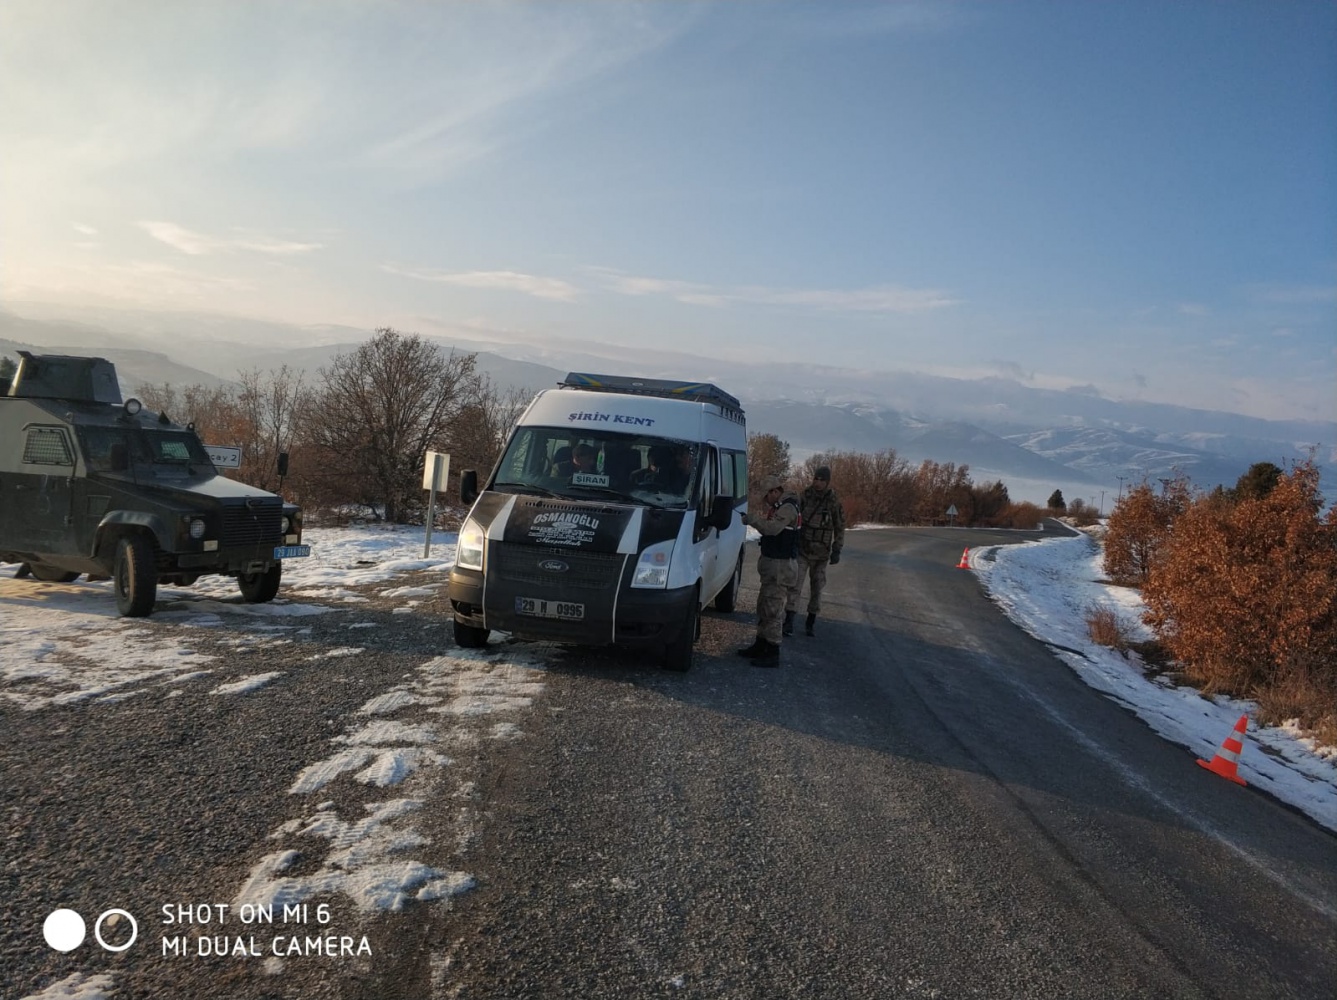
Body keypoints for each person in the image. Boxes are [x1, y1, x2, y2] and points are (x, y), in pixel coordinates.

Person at [737, 474, 801, 667]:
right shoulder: (779, 507)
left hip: (780, 568)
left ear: (775, 491)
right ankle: (761, 644)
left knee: (773, 610)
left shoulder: (788, 507)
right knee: (763, 606)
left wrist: (752, 520)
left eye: (767, 496)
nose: (766, 501)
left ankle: (772, 651)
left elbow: (772, 529)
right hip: (773, 566)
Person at [784, 465, 846, 637]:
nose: (817, 483)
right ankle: (789, 619)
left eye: (821, 480)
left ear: (827, 482)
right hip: (804, 548)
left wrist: (837, 549)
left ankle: (811, 621)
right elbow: (795, 519)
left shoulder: (833, 501)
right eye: (816, 479)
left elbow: (840, 527)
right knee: (795, 585)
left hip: (821, 553)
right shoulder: (805, 496)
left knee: (817, 587)